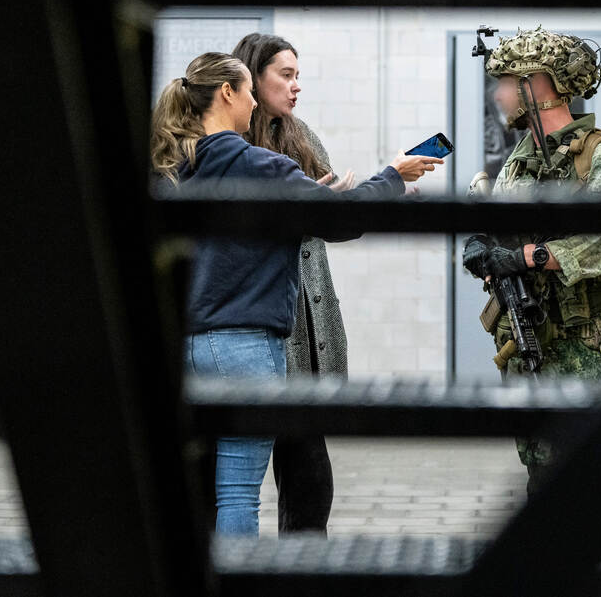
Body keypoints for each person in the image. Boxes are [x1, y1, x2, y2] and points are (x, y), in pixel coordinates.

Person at [150, 52, 442, 536]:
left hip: (186, 344)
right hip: (244, 347)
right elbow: (339, 222)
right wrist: (392, 175)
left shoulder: (175, 163)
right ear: (228, 93)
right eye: (248, 92)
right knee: (238, 493)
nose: (252, 105)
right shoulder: (259, 163)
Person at [461, 27, 601, 537]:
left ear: (540, 85)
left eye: (506, 81)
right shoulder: (519, 160)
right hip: (536, 350)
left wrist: (527, 257)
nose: (499, 93)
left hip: (595, 354)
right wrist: (483, 247)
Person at [231, 33, 352, 535]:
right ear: (252, 77)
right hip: (255, 332)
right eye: (286, 74)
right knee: (236, 482)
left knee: (309, 484)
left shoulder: (302, 136)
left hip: (310, 327)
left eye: (298, 74)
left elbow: (334, 222)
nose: (296, 85)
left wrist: (380, 189)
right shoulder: (227, 145)